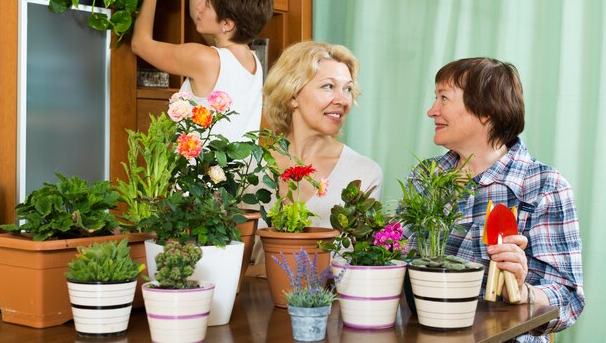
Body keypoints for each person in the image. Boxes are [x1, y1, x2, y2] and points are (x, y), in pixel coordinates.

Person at [407, 57, 584, 341]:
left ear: (486, 111)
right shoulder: (425, 176)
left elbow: (568, 299)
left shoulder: (544, 186)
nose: (431, 111)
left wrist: (522, 291)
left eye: (444, 98)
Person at [131, 0, 274, 141]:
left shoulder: (204, 59)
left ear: (227, 24)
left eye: (207, 5)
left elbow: (140, 44)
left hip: (200, 178)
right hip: (235, 178)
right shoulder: (251, 61)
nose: (199, 6)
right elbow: (198, 6)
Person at [246, 41, 383, 269]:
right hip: (256, 303)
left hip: (329, 303)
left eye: (347, 89)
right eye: (329, 86)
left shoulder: (364, 173)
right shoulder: (249, 168)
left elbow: (361, 264)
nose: (343, 100)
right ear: (293, 95)